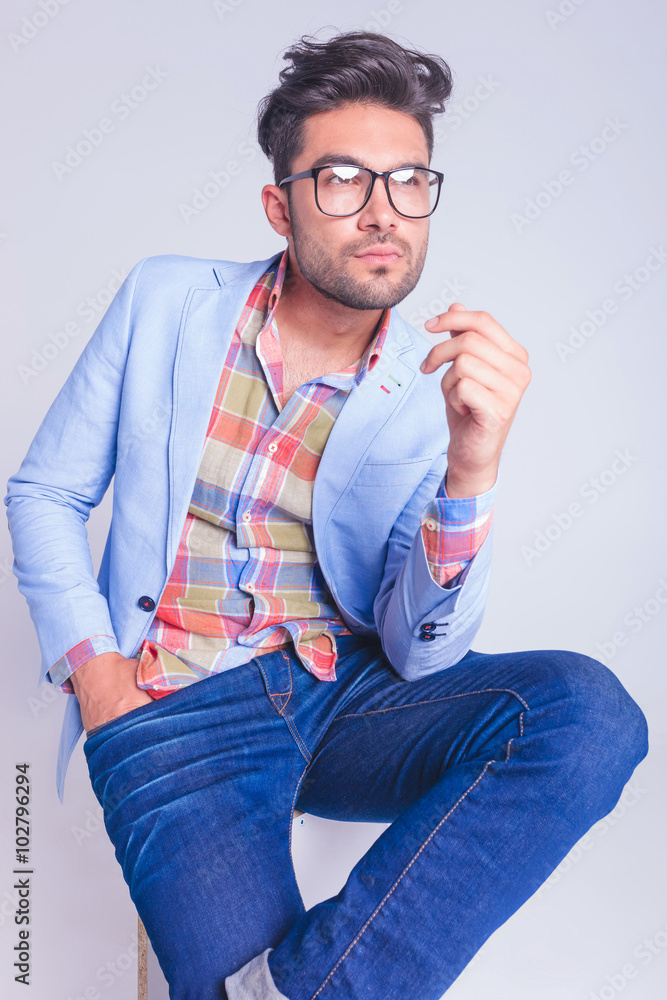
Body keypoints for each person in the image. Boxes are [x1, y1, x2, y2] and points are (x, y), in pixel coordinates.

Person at [4, 30, 648, 1000]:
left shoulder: (430, 385)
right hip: (175, 701)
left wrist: (471, 467)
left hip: (349, 695)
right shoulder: (168, 300)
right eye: (343, 179)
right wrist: (95, 673)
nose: (382, 212)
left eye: (408, 182)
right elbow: (45, 492)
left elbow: (420, 651)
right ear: (281, 202)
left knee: (587, 713)